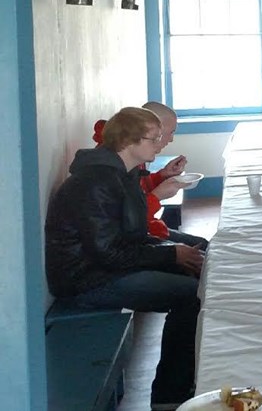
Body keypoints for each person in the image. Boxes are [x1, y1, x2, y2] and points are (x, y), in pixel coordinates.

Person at [45, 107, 205, 409]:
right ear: (130, 142)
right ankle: (169, 396)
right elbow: (108, 253)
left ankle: (186, 379)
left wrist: (172, 253)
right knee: (191, 297)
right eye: (155, 138)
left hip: (106, 266)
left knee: (196, 274)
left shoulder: (123, 172)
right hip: (86, 280)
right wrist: (170, 254)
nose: (161, 144)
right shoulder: (94, 182)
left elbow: (132, 234)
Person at [91, 102, 208, 248]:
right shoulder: (104, 174)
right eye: (169, 132)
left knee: (203, 247)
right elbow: (127, 226)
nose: (171, 139)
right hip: (132, 243)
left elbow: (138, 194)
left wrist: (162, 175)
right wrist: (157, 196)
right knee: (199, 254)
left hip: (138, 236)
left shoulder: (127, 158)